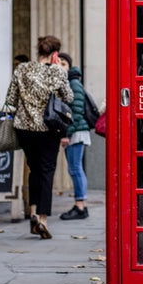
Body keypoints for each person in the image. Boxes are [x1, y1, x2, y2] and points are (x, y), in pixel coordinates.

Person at [5, 35, 73, 239]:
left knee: (34, 169)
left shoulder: (22, 69)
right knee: (46, 171)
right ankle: (42, 219)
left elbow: (11, 98)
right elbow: (69, 96)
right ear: (54, 54)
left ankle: (32, 211)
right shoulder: (57, 71)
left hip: (24, 129)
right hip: (48, 128)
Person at [57, 53, 91, 220]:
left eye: (64, 63)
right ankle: (81, 205)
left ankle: (80, 206)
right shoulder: (67, 83)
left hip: (75, 132)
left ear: (69, 66)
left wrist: (66, 134)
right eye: (59, 63)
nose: (61, 66)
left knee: (75, 169)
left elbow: (75, 113)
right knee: (75, 169)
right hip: (74, 132)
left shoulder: (73, 83)